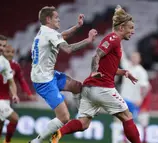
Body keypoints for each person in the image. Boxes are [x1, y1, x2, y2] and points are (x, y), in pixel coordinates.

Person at [51, 5, 142, 143]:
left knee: (83, 123)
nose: (133, 32)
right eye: (131, 28)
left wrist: (123, 72)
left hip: (89, 89)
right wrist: (94, 71)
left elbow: (108, 69)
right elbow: (96, 56)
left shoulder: (115, 39)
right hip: (103, 88)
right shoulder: (113, 39)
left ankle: (59, 133)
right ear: (122, 28)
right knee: (127, 116)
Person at [29, 6, 97, 143]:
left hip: (49, 75)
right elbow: (69, 49)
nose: (59, 19)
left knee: (77, 86)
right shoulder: (49, 33)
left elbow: (63, 35)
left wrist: (77, 26)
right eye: (56, 17)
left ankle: (81, 117)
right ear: (48, 19)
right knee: (64, 117)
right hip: (44, 81)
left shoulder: (45, 32)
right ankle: (37, 141)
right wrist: (88, 41)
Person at [120, 51, 151, 143]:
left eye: (136, 57)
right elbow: (121, 56)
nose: (134, 58)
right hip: (123, 99)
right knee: (123, 122)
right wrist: (118, 39)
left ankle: (137, 140)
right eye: (133, 56)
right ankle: (124, 140)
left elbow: (147, 87)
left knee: (133, 123)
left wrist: (141, 99)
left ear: (139, 59)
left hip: (133, 101)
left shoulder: (141, 71)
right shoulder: (127, 66)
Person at [0, 35, 19, 143]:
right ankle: (7, 141)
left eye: (3, 46)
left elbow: (11, 81)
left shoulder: (3, 62)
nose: (1, 48)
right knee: (14, 118)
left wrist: (14, 94)